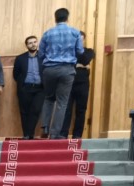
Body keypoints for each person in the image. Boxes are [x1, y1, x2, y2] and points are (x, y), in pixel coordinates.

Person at [39, 8, 84, 139]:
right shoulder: (75, 32)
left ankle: (45, 127)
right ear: (67, 18)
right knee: (62, 102)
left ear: (55, 18)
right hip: (67, 69)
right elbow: (80, 51)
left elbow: (40, 54)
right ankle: (55, 133)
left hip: (49, 69)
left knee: (48, 98)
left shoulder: (47, 33)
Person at [60, 31, 95, 139]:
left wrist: (77, 63)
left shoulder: (89, 51)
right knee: (66, 109)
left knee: (81, 110)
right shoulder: (67, 52)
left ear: (83, 40)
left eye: (80, 39)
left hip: (83, 84)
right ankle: (63, 134)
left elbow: (85, 60)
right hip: (68, 83)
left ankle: (77, 135)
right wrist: (79, 65)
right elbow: (64, 64)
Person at [14, 35, 46, 139]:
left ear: (37, 43)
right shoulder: (20, 58)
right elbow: (16, 74)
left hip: (40, 89)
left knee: (35, 110)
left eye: (34, 42)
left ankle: (29, 134)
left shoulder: (44, 57)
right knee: (24, 112)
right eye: (30, 43)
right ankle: (27, 135)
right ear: (27, 45)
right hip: (25, 89)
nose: (33, 44)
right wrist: (22, 85)